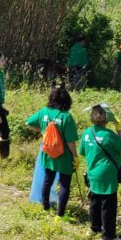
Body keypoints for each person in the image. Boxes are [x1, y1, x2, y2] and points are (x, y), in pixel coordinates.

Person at [26, 86, 79, 219]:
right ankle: (60, 215)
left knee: (47, 180)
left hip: (47, 153)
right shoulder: (66, 117)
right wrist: (75, 156)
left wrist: (43, 131)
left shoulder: (44, 112)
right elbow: (70, 141)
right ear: (67, 101)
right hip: (64, 157)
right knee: (65, 184)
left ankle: (45, 207)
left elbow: (28, 123)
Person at [79, 105, 121, 240]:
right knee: (108, 205)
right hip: (107, 175)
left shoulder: (87, 133)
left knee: (95, 201)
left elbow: (82, 152)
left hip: (92, 173)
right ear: (107, 119)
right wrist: (119, 129)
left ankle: (94, 228)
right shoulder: (109, 135)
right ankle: (108, 236)